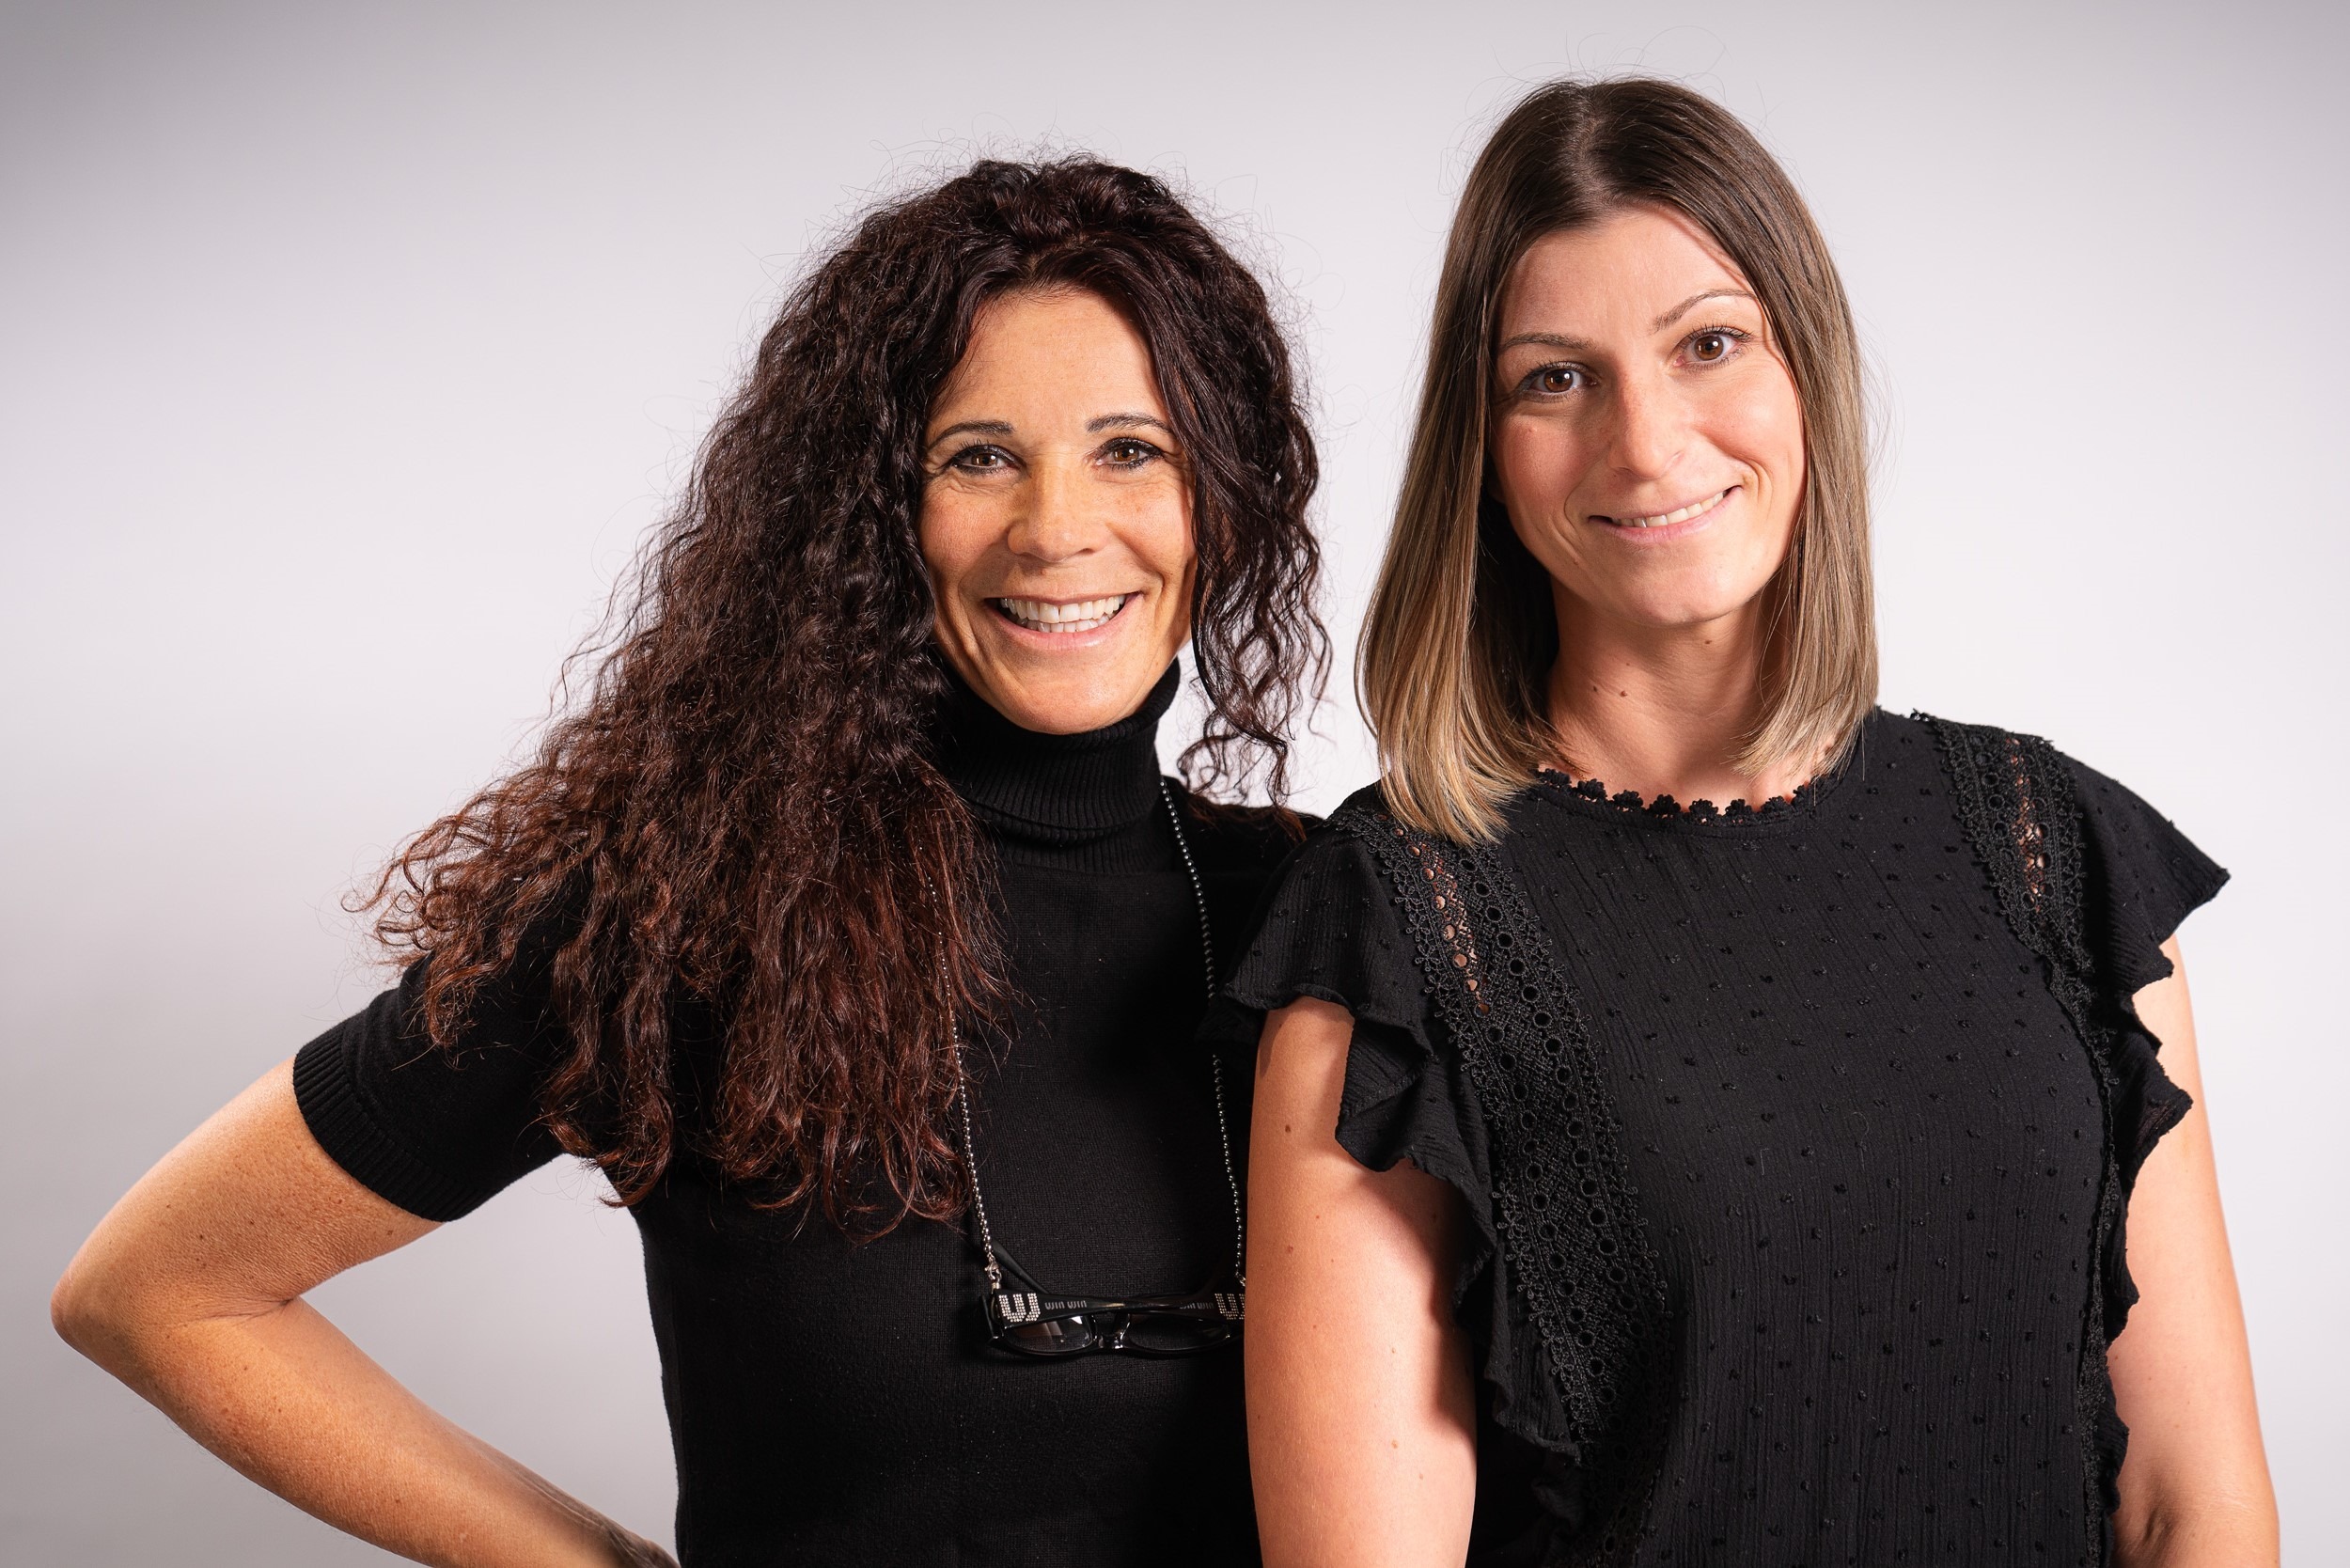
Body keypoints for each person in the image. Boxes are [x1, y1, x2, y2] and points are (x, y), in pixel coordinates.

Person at [53, 157, 1324, 1568]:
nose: (1057, 528)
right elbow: (161, 1287)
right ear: (869, 512)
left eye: (1131, 449)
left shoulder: (1338, 916)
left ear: (1226, 493)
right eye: (977, 456)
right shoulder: (697, 915)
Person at [1231, 79, 2276, 1567]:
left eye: (1709, 343)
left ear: (1807, 371)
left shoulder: (2056, 851)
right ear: (1485, 449)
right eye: (1555, 378)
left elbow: (2190, 1503)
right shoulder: (1399, 928)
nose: (1647, 443)